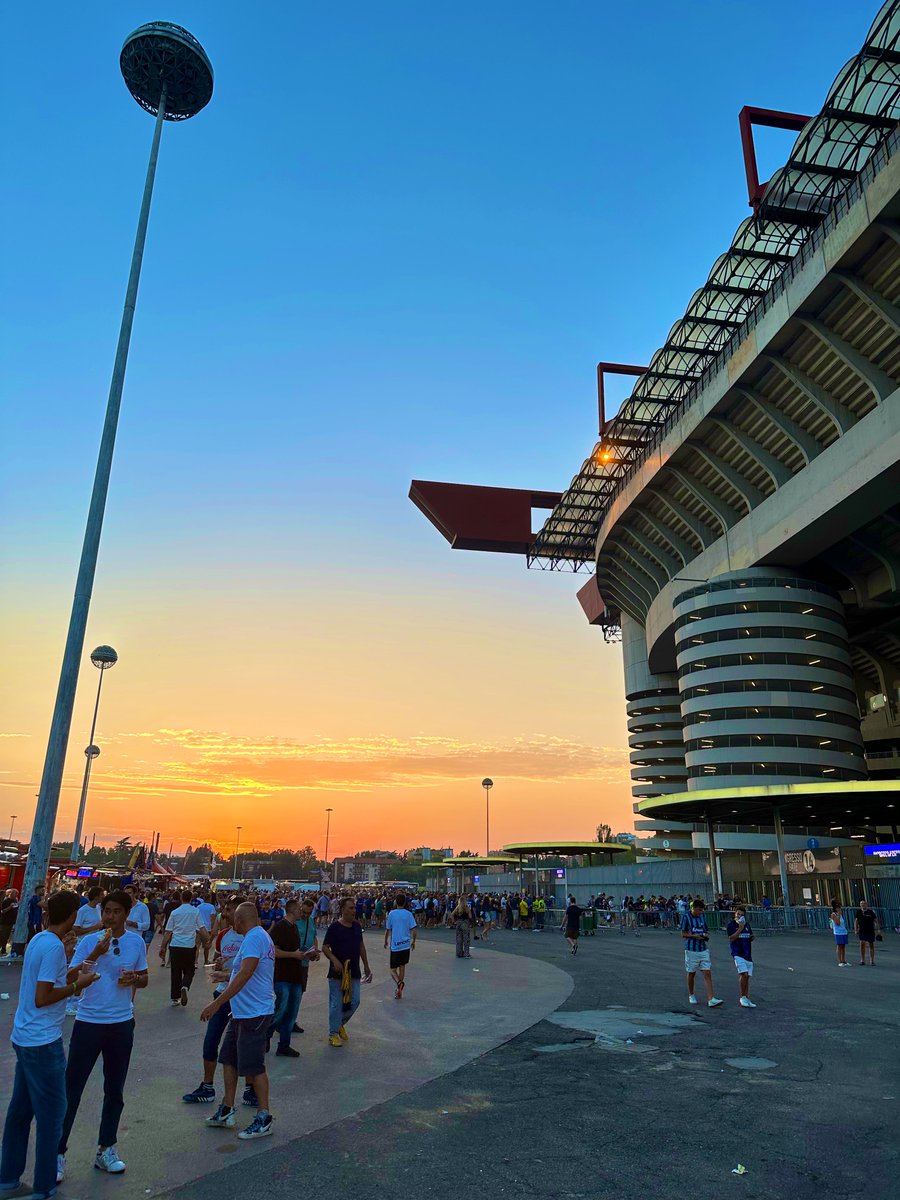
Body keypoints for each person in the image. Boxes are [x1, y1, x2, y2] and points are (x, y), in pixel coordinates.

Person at [0, 891, 99, 1199]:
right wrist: (77, 985)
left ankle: (8, 1179)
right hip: (43, 1042)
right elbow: (44, 997)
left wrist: (74, 966)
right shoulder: (53, 947)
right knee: (52, 1116)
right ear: (71, 917)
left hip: (26, 1037)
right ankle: (43, 1188)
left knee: (20, 1111)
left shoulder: (41, 941)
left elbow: (47, 982)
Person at [56, 890, 149, 1180]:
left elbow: (144, 978)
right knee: (72, 1089)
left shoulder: (135, 942)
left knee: (115, 1089)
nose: (110, 916)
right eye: (106, 910)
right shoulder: (88, 941)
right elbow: (71, 978)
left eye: (116, 911)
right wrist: (96, 952)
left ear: (126, 913)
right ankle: (57, 1153)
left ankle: (106, 1148)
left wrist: (135, 979)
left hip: (121, 1022)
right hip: (89, 1021)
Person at [201, 902, 276, 1139]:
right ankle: (227, 1108)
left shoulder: (254, 938)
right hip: (242, 1012)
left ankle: (264, 1117)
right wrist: (224, 975)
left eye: (234, 918)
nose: (232, 922)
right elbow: (243, 971)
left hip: (254, 1013)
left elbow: (246, 973)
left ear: (241, 920)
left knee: (254, 1066)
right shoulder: (257, 937)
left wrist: (217, 1003)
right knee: (229, 1059)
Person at [183, 898, 244, 1104]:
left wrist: (230, 976)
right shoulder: (223, 936)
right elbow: (219, 959)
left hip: (243, 998)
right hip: (221, 993)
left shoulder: (252, 937)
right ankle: (207, 1086)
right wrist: (218, 965)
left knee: (244, 1045)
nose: (225, 913)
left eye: (230, 909)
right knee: (211, 1040)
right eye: (225, 909)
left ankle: (251, 1089)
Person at [269, 897, 319, 1056]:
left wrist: (308, 954)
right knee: (280, 1010)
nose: (301, 911)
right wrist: (294, 955)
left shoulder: (295, 928)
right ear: (292, 910)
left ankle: (284, 1045)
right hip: (283, 975)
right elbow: (274, 951)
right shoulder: (280, 927)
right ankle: (264, 1036)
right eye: (298, 909)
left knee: (291, 1012)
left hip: (296, 974)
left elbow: (298, 949)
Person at [322, 896, 372, 1047]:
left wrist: (367, 966)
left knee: (355, 1001)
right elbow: (325, 947)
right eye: (350, 908)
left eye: (354, 907)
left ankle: (339, 1023)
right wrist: (334, 960)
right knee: (336, 1004)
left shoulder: (357, 926)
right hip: (337, 972)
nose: (353, 910)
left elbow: (361, 946)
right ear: (342, 909)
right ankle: (333, 1034)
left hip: (353, 971)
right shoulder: (334, 928)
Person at [160, 889, 208, 1006]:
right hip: (189, 945)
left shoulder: (175, 913)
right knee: (189, 969)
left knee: (175, 972)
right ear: (191, 899)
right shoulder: (195, 911)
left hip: (175, 945)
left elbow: (168, 931)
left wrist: (163, 946)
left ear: (181, 898)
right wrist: (208, 939)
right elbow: (201, 928)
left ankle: (175, 998)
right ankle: (185, 985)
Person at [681, 899, 723, 1008]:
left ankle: (711, 998)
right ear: (693, 908)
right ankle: (691, 994)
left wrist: (705, 935)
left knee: (707, 973)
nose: (700, 912)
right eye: (699, 910)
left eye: (702, 910)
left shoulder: (702, 917)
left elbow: (706, 930)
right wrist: (694, 936)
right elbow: (683, 933)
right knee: (691, 973)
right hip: (691, 949)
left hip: (703, 948)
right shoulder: (686, 917)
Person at [384, 893, 417, 999]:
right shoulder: (409, 914)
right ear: (405, 902)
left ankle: (398, 983)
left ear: (395, 902)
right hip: (405, 945)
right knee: (402, 967)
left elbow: (388, 930)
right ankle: (399, 990)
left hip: (395, 945)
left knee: (392, 969)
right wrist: (414, 941)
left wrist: (385, 941)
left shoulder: (391, 914)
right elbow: (414, 930)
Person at [725, 904, 756, 1008]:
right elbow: (731, 938)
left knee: (748, 977)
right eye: (738, 914)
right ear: (735, 914)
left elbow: (749, 935)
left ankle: (747, 997)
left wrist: (752, 937)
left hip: (747, 953)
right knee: (744, 974)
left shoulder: (747, 925)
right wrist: (740, 928)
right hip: (737, 953)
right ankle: (742, 997)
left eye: (742, 915)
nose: (739, 916)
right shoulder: (731, 925)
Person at [854, 898, 880, 965]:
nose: (862, 905)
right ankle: (862, 960)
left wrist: (878, 929)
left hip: (870, 930)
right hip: (862, 930)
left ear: (866, 904)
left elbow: (876, 920)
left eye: (864, 904)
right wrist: (856, 929)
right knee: (862, 943)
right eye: (861, 904)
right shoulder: (858, 912)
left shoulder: (870, 912)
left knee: (871, 944)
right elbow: (856, 921)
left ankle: (872, 960)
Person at [196, 894, 217, 965]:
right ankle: (206, 961)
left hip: (198, 928)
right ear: (209, 898)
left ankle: (195, 962)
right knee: (206, 946)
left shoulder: (198, 906)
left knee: (197, 946)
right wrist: (212, 928)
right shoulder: (211, 907)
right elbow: (212, 918)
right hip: (207, 929)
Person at [0, 889, 19, 955]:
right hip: (5, 922)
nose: (16, 895)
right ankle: (3, 950)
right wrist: (10, 907)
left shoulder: (15, 901)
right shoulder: (6, 901)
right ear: (10, 893)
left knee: (7, 936)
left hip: (12, 922)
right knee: (3, 936)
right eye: (14, 893)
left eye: (17, 894)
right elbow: (3, 911)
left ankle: (4, 950)